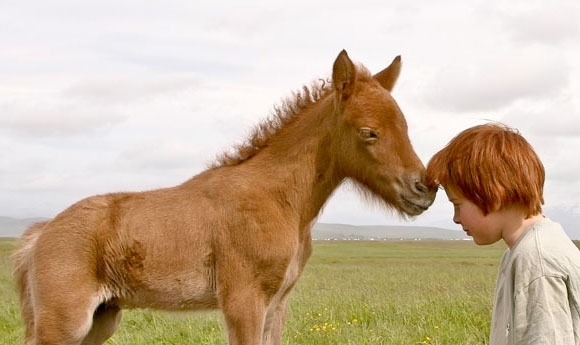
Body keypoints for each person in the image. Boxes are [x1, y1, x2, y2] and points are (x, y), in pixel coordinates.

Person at [426, 123, 580, 345]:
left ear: (493, 194)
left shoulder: (537, 258)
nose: (456, 218)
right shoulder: (520, 251)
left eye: (457, 204)